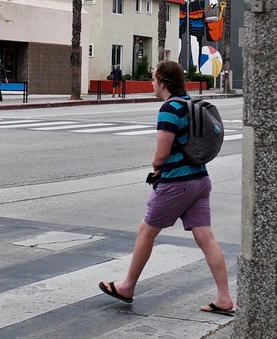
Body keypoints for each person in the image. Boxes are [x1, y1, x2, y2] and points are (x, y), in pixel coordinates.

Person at [99, 59, 234, 316]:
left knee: (145, 231)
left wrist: (156, 165)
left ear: (162, 82)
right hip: (200, 179)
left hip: (177, 183)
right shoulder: (191, 104)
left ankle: (127, 286)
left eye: (153, 78)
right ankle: (224, 297)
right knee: (206, 238)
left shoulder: (170, 109)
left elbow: (161, 153)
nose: (151, 82)